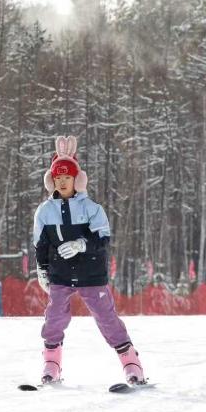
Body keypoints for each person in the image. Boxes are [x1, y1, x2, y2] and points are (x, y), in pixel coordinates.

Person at [33, 135, 146, 385]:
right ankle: (51, 364)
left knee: (107, 319)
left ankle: (131, 363)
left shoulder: (92, 208)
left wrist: (81, 244)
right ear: (51, 181)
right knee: (54, 319)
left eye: (67, 177)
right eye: (58, 178)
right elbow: (41, 245)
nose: (62, 182)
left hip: (91, 275)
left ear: (77, 180)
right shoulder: (45, 211)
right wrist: (42, 270)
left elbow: (103, 238)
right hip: (60, 275)